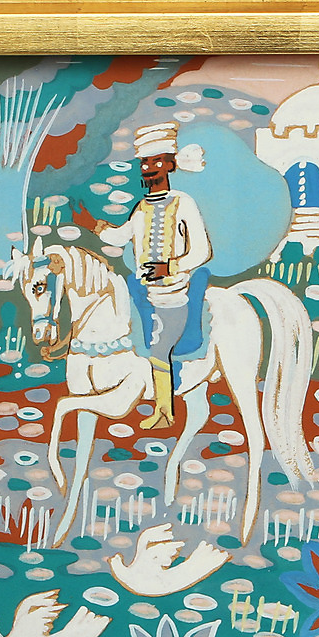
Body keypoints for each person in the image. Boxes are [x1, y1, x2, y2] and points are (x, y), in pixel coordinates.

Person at [95, 122, 211, 428]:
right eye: (145, 163)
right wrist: (98, 227)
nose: (149, 169)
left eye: (156, 162)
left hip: (174, 295)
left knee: (160, 348)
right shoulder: (142, 207)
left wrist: (169, 267)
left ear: (170, 165)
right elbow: (122, 236)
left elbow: (202, 251)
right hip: (146, 293)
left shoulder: (183, 203)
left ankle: (164, 412)